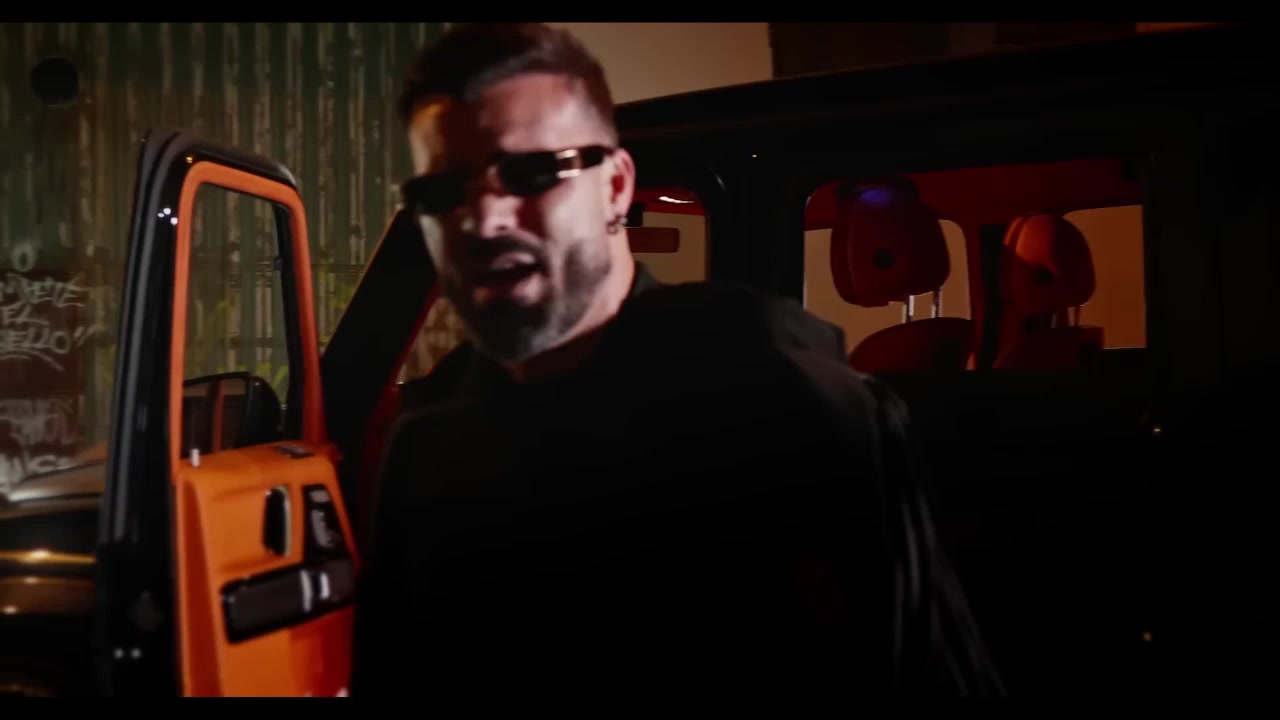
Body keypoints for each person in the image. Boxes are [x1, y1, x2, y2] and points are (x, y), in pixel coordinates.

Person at [351, 22, 1003, 697]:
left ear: (616, 186)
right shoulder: (423, 450)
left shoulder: (790, 405)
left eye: (532, 173)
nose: (484, 220)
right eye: (443, 191)